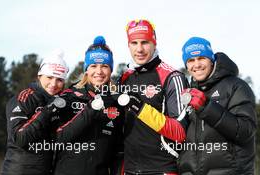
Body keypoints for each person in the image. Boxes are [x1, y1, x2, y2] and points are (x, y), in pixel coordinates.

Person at [179, 37, 257, 175]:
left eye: (201, 58)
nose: (196, 65)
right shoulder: (188, 91)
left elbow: (246, 131)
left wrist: (206, 107)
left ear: (211, 59)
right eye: (191, 60)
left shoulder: (236, 86)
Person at [119, 19, 189, 175]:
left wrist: (141, 109)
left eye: (145, 42)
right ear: (128, 45)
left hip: (161, 169)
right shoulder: (125, 78)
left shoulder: (172, 77)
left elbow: (180, 133)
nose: (139, 49)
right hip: (130, 169)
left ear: (154, 43)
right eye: (134, 43)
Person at [53, 36, 124, 175]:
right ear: (86, 69)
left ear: (110, 70)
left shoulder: (117, 102)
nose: (99, 71)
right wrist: (92, 109)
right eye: (93, 66)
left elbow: (119, 150)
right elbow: (56, 138)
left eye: (104, 66)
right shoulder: (69, 96)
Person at [0, 50, 69, 175]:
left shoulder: (61, 102)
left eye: (59, 79)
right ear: (39, 76)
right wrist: (48, 111)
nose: (53, 84)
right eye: (49, 77)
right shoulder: (24, 98)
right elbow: (19, 138)